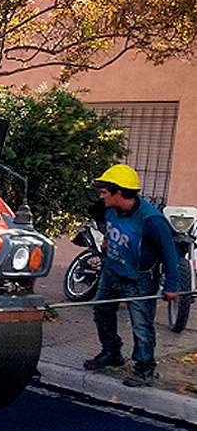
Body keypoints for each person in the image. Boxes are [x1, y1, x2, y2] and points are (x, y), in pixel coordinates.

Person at [82, 164, 180, 387]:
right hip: (112, 270)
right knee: (102, 312)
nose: (101, 194)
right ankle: (111, 353)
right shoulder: (110, 208)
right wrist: (107, 242)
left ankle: (145, 369)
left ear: (119, 192)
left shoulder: (152, 220)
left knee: (141, 326)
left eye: (105, 190)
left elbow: (170, 254)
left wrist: (172, 285)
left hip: (139, 279)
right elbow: (113, 229)